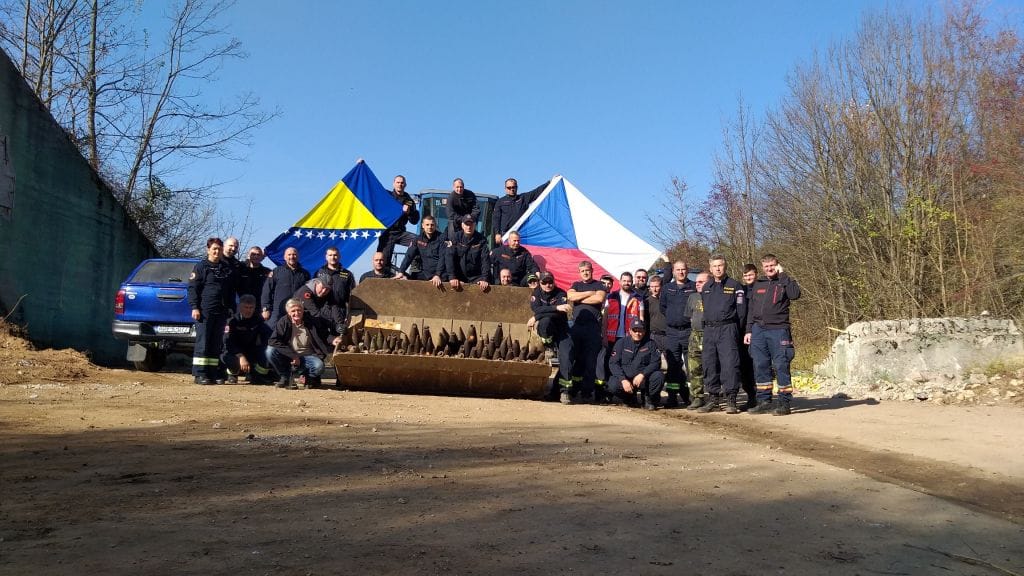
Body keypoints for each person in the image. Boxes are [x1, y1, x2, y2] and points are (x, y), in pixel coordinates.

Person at [745, 254, 802, 415]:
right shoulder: (758, 284)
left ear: (777, 265)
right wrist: (749, 330)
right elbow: (751, 309)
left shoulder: (785, 281)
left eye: (772, 265)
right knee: (760, 365)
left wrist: (783, 275)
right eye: (766, 266)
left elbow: (795, 295)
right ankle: (764, 401)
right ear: (762, 268)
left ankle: (784, 402)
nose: (769, 269)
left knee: (781, 365)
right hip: (758, 330)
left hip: (779, 330)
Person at [696, 255, 746, 414]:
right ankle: (713, 399)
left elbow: (741, 313)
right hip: (710, 330)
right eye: (715, 266)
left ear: (725, 267)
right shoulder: (706, 287)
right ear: (710, 269)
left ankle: (731, 400)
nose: (718, 268)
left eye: (720, 265)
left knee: (729, 364)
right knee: (710, 364)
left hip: (728, 329)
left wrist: (737, 331)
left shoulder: (734, 285)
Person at [188, 237, 235, 385]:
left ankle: (212, 373)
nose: (217, 252)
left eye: (219, 249)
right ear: (208, 250)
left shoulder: (225, 268)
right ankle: (200, 374)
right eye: (214, 249)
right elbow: (193, 289)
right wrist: (195, 307)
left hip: (221, 311)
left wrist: (231, 308)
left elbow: (230, 290)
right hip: (205, 311)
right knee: (203, 343)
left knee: (216, 344)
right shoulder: (201, 267)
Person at [266, 298, 342, 389]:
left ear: (303, 310)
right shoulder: (283, 321)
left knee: (319, 367)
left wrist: (333, 339)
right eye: (293, 311)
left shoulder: (311, 320)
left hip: (308, 355)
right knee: (270, 351)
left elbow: (324, 334)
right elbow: (273, 340)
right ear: (288, 312)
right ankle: (285, 377)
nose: (296, 313)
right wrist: (293, 356)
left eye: (299, 310)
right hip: (289, 355)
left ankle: (309, 377)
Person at [596, 271, 644, 402]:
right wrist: (604, 335)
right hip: (613, 337)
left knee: (628, 365)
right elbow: (605, 318)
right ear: (620, 281)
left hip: (629, 338)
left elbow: (641, 318)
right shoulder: (611, 296)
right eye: (624, 280)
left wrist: (639, 335)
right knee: (609, 364)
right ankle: (607, 393)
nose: (626, 283)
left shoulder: (638, 298)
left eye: (629, 281)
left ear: (632, 282)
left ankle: (629, 394)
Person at [530, 271, 575, 404]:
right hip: (547, 329)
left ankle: (564, 391)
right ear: (540, 283)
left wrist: (536, 317)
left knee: (567, 358)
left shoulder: (561, 293)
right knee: (545, 322)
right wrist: (556, 308)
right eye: (544, 282)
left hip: (562, 329)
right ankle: (549, 346)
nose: (548, 285)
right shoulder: (536, 293)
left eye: (550, 282)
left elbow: (560, 314)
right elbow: (536, 309)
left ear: (554, 282)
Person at [567, 260, 607, 403]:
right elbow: (570, 296)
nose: (585, 273)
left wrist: (580, 298)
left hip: (593, 328)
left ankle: (586, 392)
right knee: (575, 359)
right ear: (579, 272)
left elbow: (599, 298)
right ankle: (572, 389)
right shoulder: (576, 285)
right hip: (577, 327)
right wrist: (589, 293)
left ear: (592, 270)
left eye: (587, 270)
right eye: (583, 271)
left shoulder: (599, 285)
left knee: (591, 361)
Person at [659, 260, 696, 408]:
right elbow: (663, 308)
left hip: (689, 331)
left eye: (683, 269)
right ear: (673, 271)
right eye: (678, 270)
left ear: (687, 270)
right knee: (673, 366)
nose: (681, 272)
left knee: (692, 365)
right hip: (672, 332)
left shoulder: (694, 287)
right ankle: (672, 397)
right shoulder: (667, 288)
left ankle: (694, 397)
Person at [608, 319, 664, 410]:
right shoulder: (621, 343)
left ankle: (648, 399)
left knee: (658, 376)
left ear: (644, 331)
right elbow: (613, 363)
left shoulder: (651, 344)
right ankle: (628, 398)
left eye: (640, 331)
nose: (637, 333)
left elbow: (656, 362)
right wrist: (623, 379)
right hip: (626, 379)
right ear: (630, 331)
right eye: (635, 330)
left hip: (643, 379)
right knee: (613, 384)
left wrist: (643, 374)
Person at [220, 294, 272, 384]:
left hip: (250, 351)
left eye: (251, 307)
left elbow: (267, 336)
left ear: (254, 308)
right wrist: (240, 356)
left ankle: (256, 375)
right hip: (234, 352)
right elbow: (227, 342)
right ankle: (232, 373)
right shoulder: (232, 321)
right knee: (229, 359)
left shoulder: (258, 320)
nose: (248, 310)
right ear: (240, 307)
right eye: (246, 307)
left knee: (268, 353)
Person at [377, 173, 420, 267]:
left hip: (400, 233)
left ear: (405, 185)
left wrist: (409, 213)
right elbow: (373, 189)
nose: (400, 184)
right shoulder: (386, 196)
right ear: (393, 184)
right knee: (383, 261)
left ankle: (412, 268)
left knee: (419, 242)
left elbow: (414, 221)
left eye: (402, 183)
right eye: (398, 182)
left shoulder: (409, 201)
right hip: (387, 234)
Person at [491, 177, 550, 245]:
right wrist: (497, 233)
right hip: (506, 235)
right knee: (507, 252)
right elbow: (496, 219)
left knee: (522, 252)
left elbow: (536, 192)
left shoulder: (523, 198)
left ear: (517, 187)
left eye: (513, 187)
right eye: (509, 187)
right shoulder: (500, 202)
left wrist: (550, 182)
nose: (512, 189)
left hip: (522, 233)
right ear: (505, 189)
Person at [261, 247, 310, 328]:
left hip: (297, 310)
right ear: (284, 257)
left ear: (298, 256)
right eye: (289, 255)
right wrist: (265, 308)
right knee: (271, 330)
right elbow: (267, 291)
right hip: (278, 310)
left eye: (294, 254)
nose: (292, 257)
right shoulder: (276, 271)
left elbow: (308, 293)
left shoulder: (305, 274)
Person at [397, 214, 446, 288]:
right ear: (423, 225)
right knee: (411, 281)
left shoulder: (442, 238)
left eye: (432, 225)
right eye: (427, 225)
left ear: (435, 225)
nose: (430, 227)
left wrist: (437, 275)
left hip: (440, 274)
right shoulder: (417, 239)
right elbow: (409, 256)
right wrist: (401, 271)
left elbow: (442, 258)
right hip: (425, 273)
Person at [684, 272, 710, 409]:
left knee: (712, 367)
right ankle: (697, 396)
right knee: (694, 367)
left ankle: (714, 396)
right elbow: (690, 317)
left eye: (701, 282)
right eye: (696, 282)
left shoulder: (714, 295)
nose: (697, 284)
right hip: (695, 335)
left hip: (710, 334)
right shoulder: (692, 297)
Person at [445, 215, 491, 290]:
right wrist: (452, 277)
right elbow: (449, 258)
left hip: (476, 278)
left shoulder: (482, 240)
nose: (469, 227)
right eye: (467, 224)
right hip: (459, 278)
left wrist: (484, 279)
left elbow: (485, 261)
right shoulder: (455, 238)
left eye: (471, 224)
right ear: (462, 225)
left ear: (475, 225)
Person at [315, 246, 355, 323]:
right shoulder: (319, 273)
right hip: (323, 311)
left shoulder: (347, 274)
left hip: (341, 312)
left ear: (339, 256)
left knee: (340, 330)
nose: (333, 257)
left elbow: (351, 296)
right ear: (326, 257)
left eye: (335, 255)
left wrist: (349, 314)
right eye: (330, 255)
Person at [738, 262, 759, 409]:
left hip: (757, 331)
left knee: (758, 365)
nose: (748, 277)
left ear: (756, 274)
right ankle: (751, 397)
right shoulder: (741, 291)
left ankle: (762, 398)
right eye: (746, 275)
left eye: (750, 275)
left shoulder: (762, 288)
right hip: (742, 333)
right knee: (744, 366)